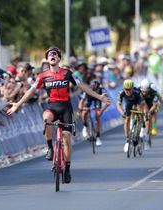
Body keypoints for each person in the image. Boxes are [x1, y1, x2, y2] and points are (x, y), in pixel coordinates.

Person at [6, 46, 111, 184]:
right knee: (46, 120)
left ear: (59, 58)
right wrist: (18, 104)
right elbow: (31, 91)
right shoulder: (43, 75)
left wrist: (98, 96)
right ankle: (49, 147)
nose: (52, 56)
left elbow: (82, 86)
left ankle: (67, 169)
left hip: (66, 107)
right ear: (47, 59)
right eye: (49, 55)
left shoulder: (67, 73)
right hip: (52, 107)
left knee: (66, 138)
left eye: (54, 54)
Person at [117, 79, 145, 152]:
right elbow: (118, 105)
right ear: (124, 88)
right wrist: (122, 112)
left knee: (139, 110)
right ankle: (127, 140)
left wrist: (143, 113)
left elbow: (143, 104)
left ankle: (141, 126)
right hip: (128, 104)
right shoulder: (121, 93)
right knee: (126, 120)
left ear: (132, 88)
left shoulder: (137, 92)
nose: (128, 91)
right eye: (126, 89)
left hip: (137, 102)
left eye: (129, 89)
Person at [79, 79, 110, 146]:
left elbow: (108, 102)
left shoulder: (102, 90)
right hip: (89, 98)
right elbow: (81, 101)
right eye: (92, 86)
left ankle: (98, 137)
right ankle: (85, 126)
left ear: (98, 86)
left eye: (95, 87)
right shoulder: (88, 89)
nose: (93, 88)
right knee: (84, 112)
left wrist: (101, 110)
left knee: (97, 115)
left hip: (98, 99)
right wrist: (80, 109)